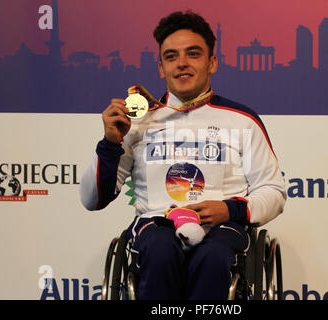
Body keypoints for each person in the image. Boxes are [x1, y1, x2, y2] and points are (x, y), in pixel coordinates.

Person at [80, 11, 286, 300]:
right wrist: (111, 143)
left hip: (222, 227)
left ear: (212, 62)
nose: (182, 64)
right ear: (161, 68)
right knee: (160, 251)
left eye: (193, 53)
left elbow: (273, 191)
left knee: (213, 256)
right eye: (171, 56)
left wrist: (231, 209)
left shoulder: (242, 120)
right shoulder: (136, 121)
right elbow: (92, 199)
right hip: (156, 225)